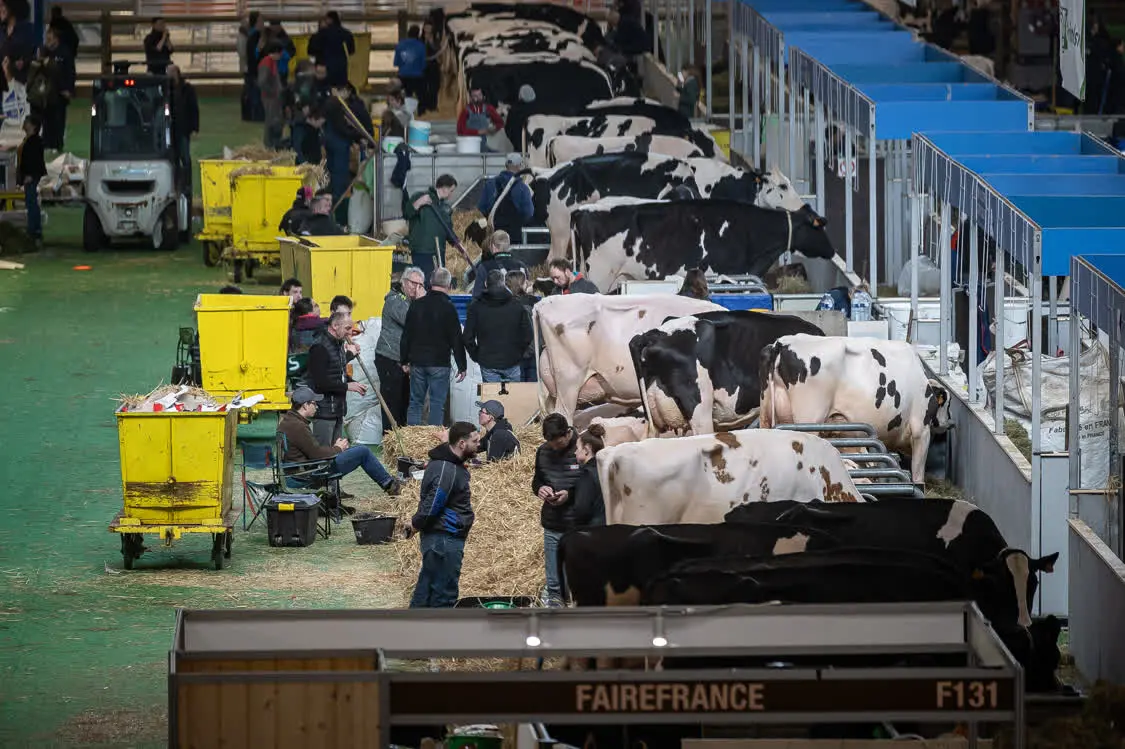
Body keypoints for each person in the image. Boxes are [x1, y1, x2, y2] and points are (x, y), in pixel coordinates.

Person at [407, 421, 480, 608]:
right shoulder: (447, 470)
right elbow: (433, 504)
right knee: (443, 596)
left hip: (440, 539)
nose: (479, 445)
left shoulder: (444, 463)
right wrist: (416, 523)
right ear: (462, 444)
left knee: (426, 590)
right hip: (444, 539)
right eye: (475, 441)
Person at [279, 386, 402, 496]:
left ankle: (389, 483)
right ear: (305, 405)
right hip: (308, 475)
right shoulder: (298, 426)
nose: (317, 406)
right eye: (314, 403)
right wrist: (338, 448)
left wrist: (336, 449)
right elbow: (317, 455)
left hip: (297, 472)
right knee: (362, 451)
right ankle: (390, 485)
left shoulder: (287, 421)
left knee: (357, 451)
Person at [401, 267, 466, 426]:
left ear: (430, 282)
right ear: (449, 285)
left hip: (417, 362)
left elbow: (406, 335)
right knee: (437, 403)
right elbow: (456, 339)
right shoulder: (449, 308)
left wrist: (404, 360)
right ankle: (433, 441)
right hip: (439, 363)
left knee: (416, 402)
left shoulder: (416, 305)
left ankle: (413, 439)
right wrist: (462, 365)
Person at [532, 413, 581, 607]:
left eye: (558, 443)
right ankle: (555, 603)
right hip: (553, 522)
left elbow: (592, 483)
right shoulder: (543, 451)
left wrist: (569, 494)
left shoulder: (583, 449)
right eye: (550, 443)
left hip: (577, 523)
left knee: (577, 571)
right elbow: (537, 479)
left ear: (568, 433)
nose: (554, 447)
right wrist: (540, 489)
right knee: (554, 578)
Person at [307, 310, 366, 445]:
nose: (350, 332)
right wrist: (347, 386)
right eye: (347, 328)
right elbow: (320, 383)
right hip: (323, 411)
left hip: (337, 410)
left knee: (335, 454)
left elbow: (337, 372)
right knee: (323, 454)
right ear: (334, 326)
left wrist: (353, 383)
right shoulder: (319, 347)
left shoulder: (338, 344)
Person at [464, 269, 532, 383]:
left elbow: (467, 337)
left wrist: (476, 355)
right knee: (514, 397)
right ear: (504, 283)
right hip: (512, 361)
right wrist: (519, 353)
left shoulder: (476, 307)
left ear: (486, 284)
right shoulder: (517, 306)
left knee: (492, 398)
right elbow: (528, 334)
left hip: (488, 362)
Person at [376, 267, 423, 429]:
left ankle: (401, 440)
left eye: (419, 285)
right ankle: (390, 439)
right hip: (389, 357)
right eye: (412, 283)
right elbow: (412, 320)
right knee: (392, 403)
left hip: (404, 361)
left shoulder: (412, 302)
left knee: (404, 402)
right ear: (404, 282)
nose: (415, 288)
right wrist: (422, 301)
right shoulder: (395, 300)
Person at [402, 173, 457, 280]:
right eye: (451, 191)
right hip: (422, 252)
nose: (451, 195)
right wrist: (418, 203)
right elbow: (407, 213)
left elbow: (448, 230)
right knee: (423, 282)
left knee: (437, 283)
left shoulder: (444, 208)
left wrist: (457, 243)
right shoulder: (420, 196)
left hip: (438, 253)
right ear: (445, 188)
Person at [30, 25, 73, 151]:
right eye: (47, 36)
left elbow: (70, 72)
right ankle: (46, 143)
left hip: (61, 92)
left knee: (58, 120)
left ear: (56, 38)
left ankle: (57, 144)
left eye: (50, 37)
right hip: (46, 93)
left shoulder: (65, 52)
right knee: (47, 119)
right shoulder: (43, 50)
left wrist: (69, 89)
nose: (48, 39)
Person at [477, 153, 533, 242]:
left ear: (506, 165)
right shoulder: (523, 188)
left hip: (494, 233)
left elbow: (482, 207)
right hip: (513, 236)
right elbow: (528, 213)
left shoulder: (490, 184)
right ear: (520, 166)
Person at [167, 65, 199, 194]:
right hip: (170, 131)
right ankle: (174, 185)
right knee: (172, 159)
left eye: (171, 72)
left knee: (185, 158)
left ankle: (187, 185)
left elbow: (194, 109)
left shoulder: (187, 89)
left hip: (183, 129)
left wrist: (195, 128)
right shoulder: (165, 90)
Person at [471, 230, 528, 299]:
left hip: (493, 308)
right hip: (520, 307)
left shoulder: (484, 267)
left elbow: (476, 296)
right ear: (508, 246)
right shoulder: (522, 266)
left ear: (493, 247)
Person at [505, 270, 539, 383]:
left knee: (517, 390)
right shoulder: (533, 302)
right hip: (533, 353)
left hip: (515, 355)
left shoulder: (506, 304)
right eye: (525, 282)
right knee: (532, 389)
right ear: (521, 284)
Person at [571, 424, 607, 528]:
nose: (575, 452)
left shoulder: (587, 474)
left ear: (586, 450)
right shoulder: (605, 469)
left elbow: (582, 510)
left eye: (577, 448)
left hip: (591, 531)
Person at [308, 10, 355, 87]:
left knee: (324, 90)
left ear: (329, 20)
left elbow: (311, 51)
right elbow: (351, 51)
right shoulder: (347, 34)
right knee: (339, 91)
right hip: (341, 69)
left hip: (323, 68)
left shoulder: (321, 34)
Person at [17, 111, 43, 247]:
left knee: (32, 202)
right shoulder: (29, 140)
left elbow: (34, 161)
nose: (24, 124)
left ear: (33, 126)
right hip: (29, 176)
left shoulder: (34, 142)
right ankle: (34, 229)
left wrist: (29, 175)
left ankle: (35, 230)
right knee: (30, 202)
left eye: (27, 122)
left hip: (31, 176)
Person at [0, 0, 36, 84]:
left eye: (2, 5)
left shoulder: (27, 29)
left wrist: (23, 63)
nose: (0, 9)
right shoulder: (2, 31)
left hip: (21, 85)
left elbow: (35, 55)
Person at [258, 43, 285, 148]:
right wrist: (272, 92)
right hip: (269, 97)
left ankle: (273, 143)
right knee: (271, 121)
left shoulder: (271, 62)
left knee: (274, 119)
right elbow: (262, 82)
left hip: (272, 96)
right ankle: (269, 145)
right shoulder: (267, 63)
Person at [393, 25, 426, 102]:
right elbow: (423, 65)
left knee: (405, 97)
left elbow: (396, 63)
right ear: (418, 34)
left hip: (403, 76)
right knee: (420, 95)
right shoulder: (421, 46)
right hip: (417, 77)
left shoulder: (400, 45)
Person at [421, 20, 441, 115]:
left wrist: (431, 41)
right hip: (423, 65)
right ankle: (424, 106)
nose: (428, 29)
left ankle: (433, 106)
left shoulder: (436, 38)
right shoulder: (420, 38)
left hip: (433, 65)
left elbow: (437, 49)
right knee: (424, 87)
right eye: (426, 27)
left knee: (434, 86)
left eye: (429, 27)